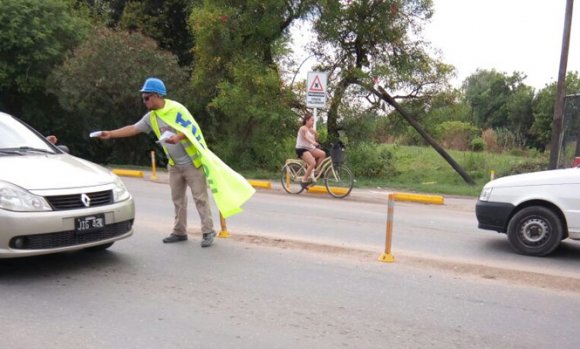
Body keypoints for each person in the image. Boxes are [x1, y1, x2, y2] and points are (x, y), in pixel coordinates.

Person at [98, 77, 216, 247]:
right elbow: (133, 128)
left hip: (192, 163)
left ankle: (208, 231)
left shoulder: (176, 109)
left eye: (146, 97)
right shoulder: (151, 117)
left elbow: (192, 128)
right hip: (174, 165)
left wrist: (178, 137)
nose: (144, 101)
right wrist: (110, 133)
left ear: (157, 96)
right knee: (178, 200)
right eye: (143, 98)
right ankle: (179, 232)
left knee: (200, 198)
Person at [295, 112, 326, 187]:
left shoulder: (311, 129)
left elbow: (316, 136)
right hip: (302, 149)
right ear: (307, 120)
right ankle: (304, 180)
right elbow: (305, 137)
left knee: (323, 154)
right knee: (312, 163)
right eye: (312, 120)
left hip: (310, 149)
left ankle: (316, 173)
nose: (313, 122)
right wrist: (313, 142)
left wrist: (316, 135)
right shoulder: (302, 128)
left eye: (313, 120)